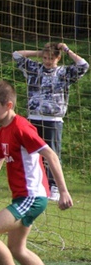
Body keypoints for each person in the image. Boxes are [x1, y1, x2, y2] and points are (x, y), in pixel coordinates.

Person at [0, 80, 72, 265]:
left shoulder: (21, 127)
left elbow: (51, 155)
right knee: (17, 249)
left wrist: (64, 192)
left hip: (32, 196)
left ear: (8, 105)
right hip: (24, 196)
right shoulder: (4, 131)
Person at [13, 42, 88, 201]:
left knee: (52, 153)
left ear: (58, 58)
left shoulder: (64, 73)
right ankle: (36, 184)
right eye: (45, 58)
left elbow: (83, 65)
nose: (47, 61)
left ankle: (54, 187)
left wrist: (66, 49)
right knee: (32, 153)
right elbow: (17, 54)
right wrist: (39, 53)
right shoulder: (34, 69)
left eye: (51, 58)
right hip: (33, 118)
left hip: (53, 119)